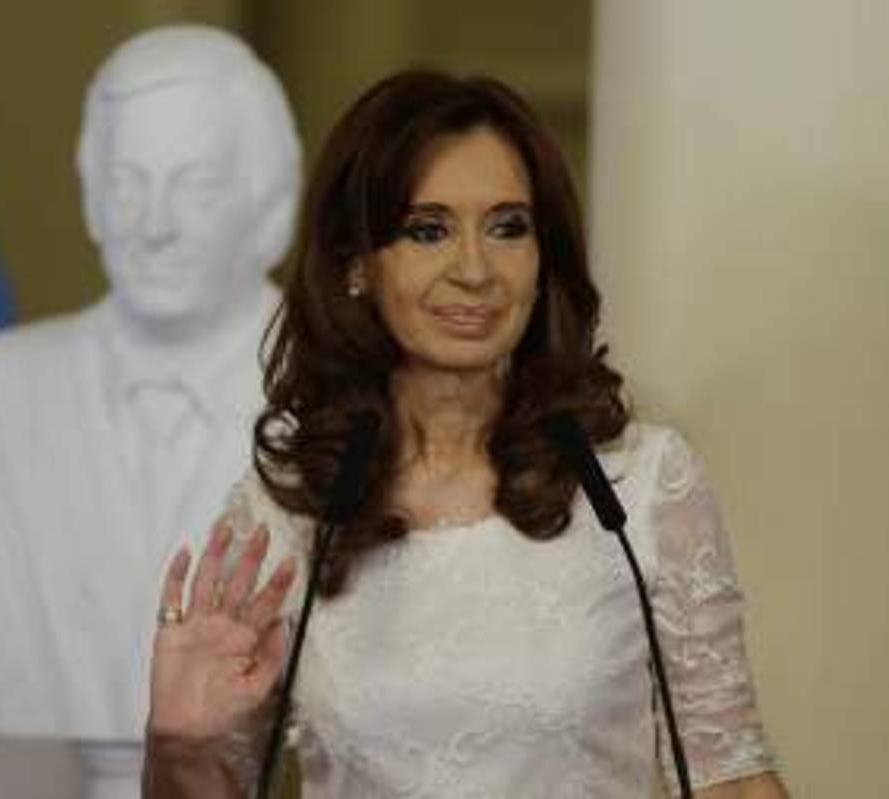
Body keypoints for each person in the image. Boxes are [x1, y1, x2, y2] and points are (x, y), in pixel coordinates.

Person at [140, 70, 790, 798]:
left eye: (508, 227)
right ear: (357, 264)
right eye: (429, 230)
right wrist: (179, 746)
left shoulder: (640, 482)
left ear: (544, 260)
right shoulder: (289, 512)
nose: (475, 269)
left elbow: (729, 778)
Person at [0, 26, 301, 798]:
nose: (155, 225)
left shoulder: (358, 414)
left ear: (270, 202)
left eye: (195, 185)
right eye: (129, 184)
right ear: (92, 199)